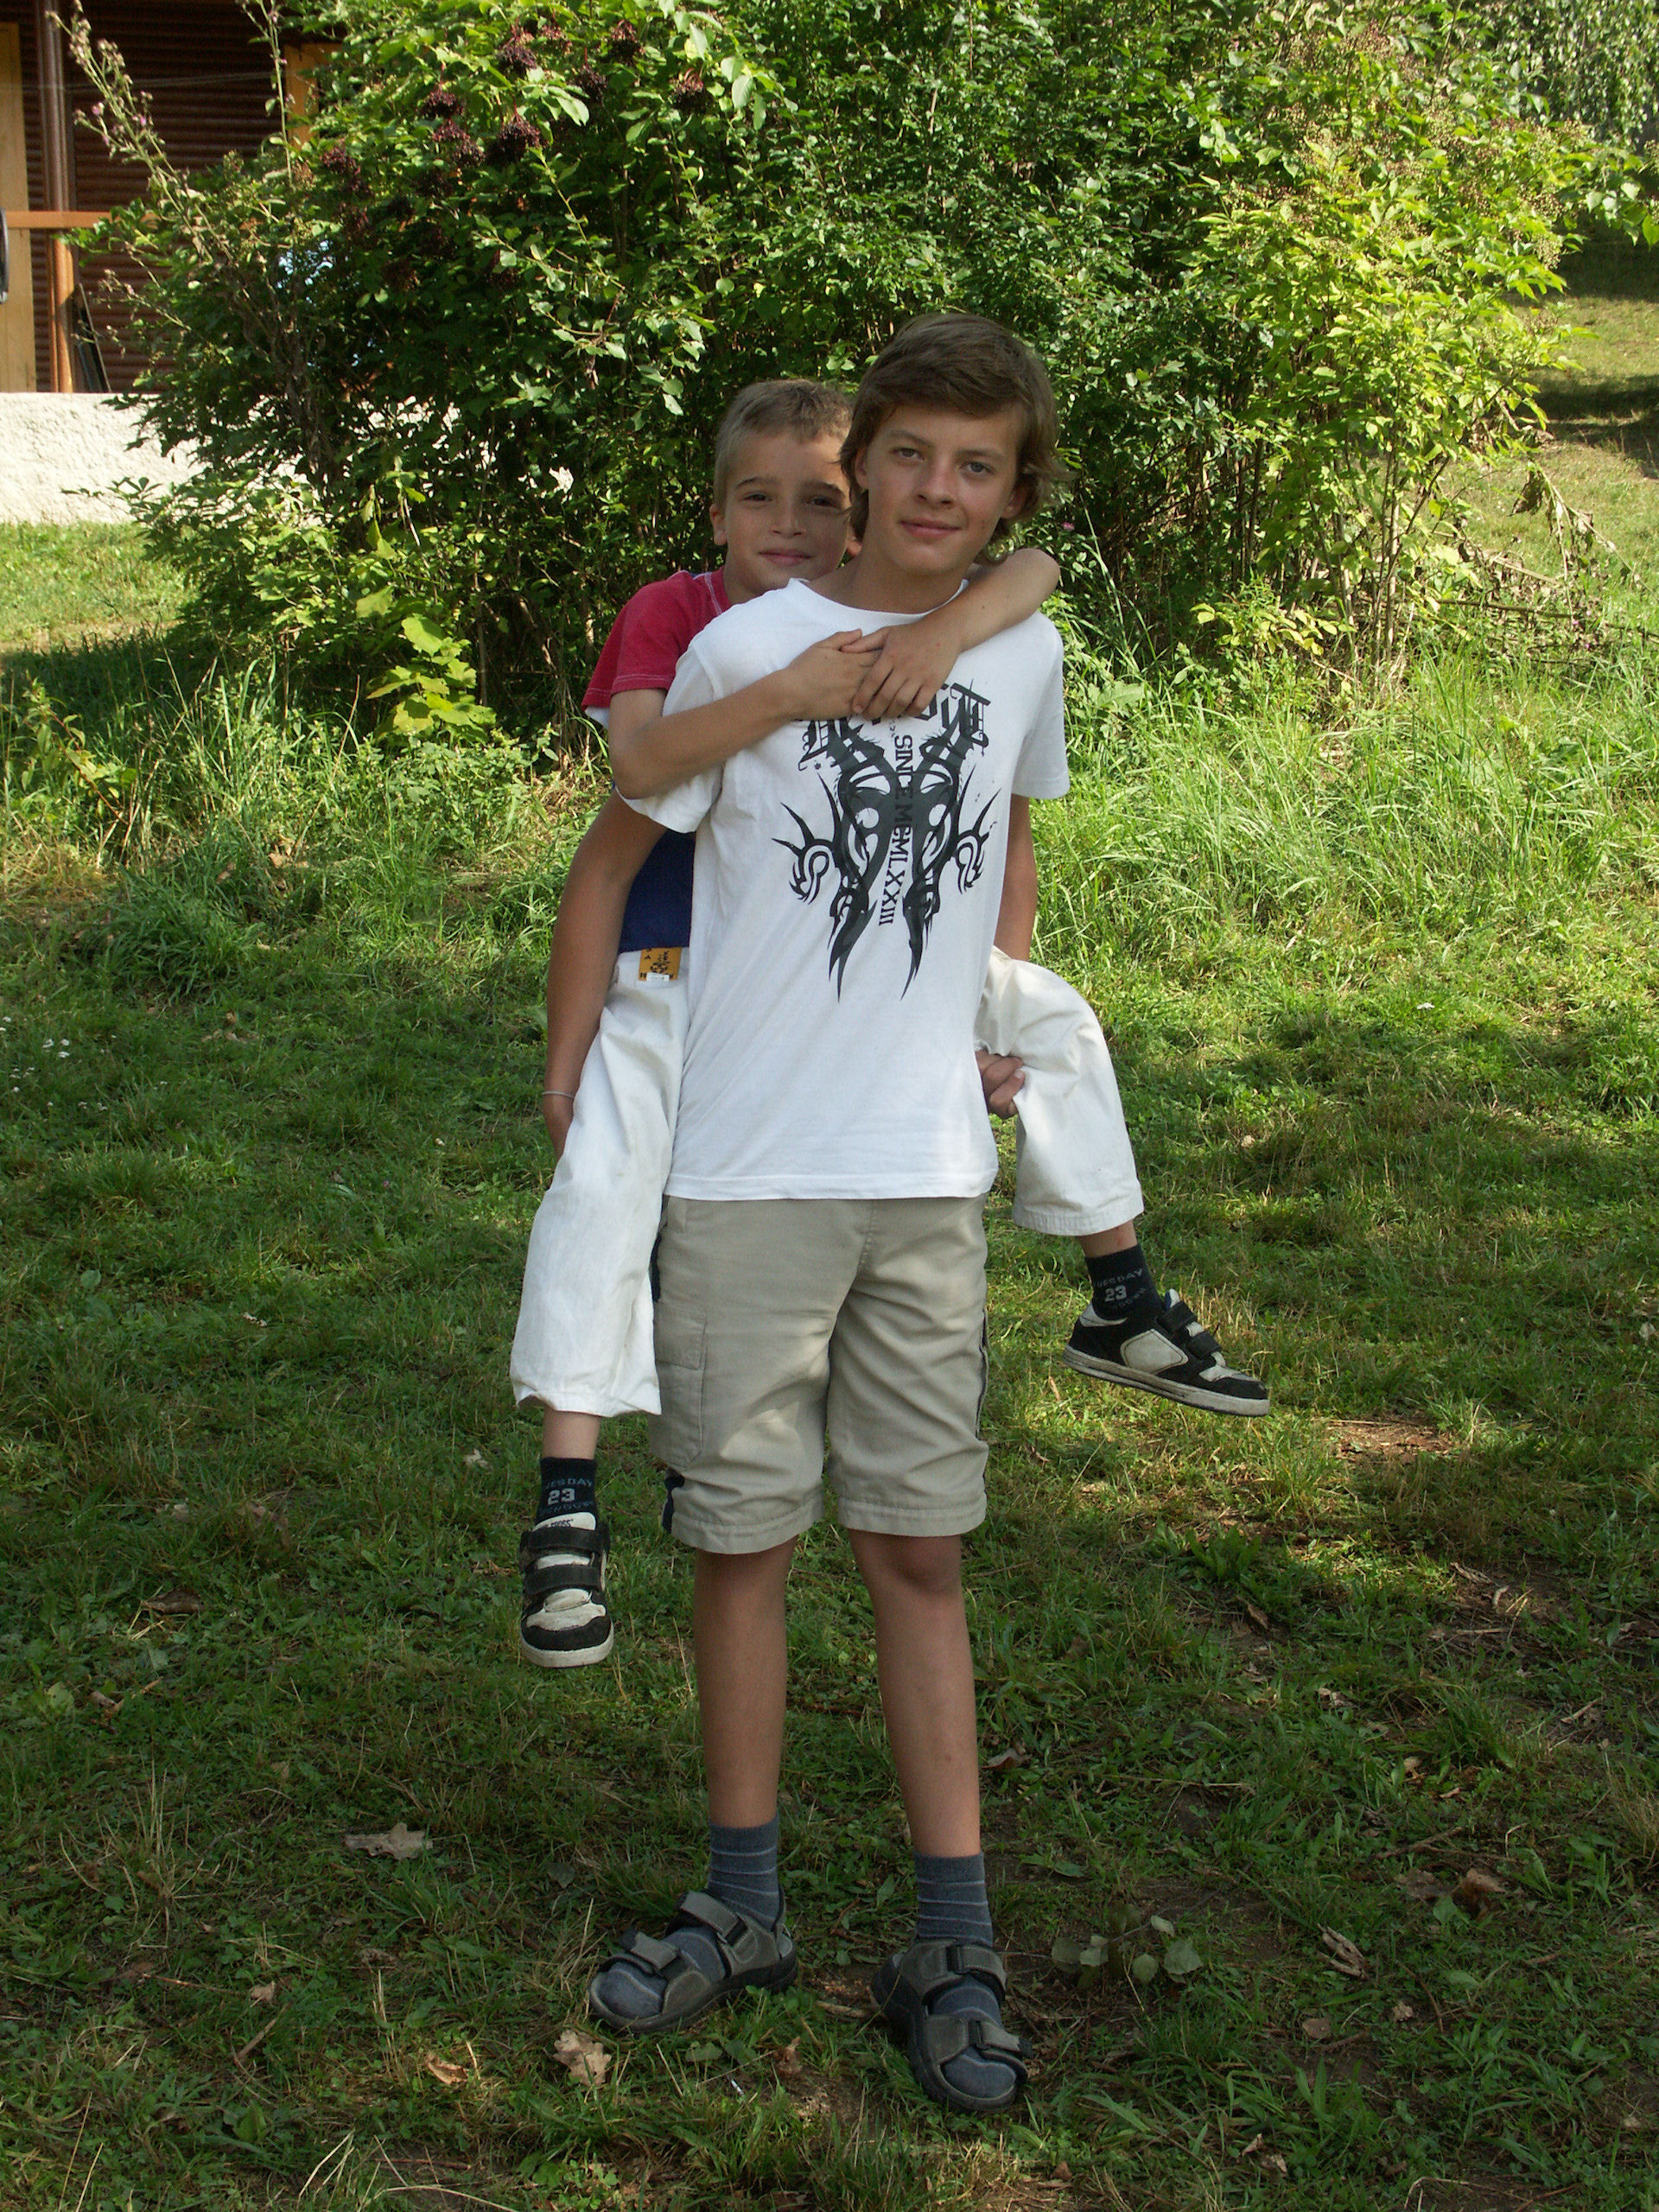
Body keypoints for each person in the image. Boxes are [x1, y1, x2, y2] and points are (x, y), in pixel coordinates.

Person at [508, 381, 1266, 1672]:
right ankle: (567, 1493)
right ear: (718, 513)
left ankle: (1120, 1290)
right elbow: (624, 806)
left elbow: (1032, 570)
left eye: (819, 502)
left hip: (878, 997)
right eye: (762, 500)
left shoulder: (941, 631)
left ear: (853, 506)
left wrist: (975, 1004)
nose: (793, 528)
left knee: (1061, 1025)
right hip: (684, 969)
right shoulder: (696, 621)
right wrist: (564, 1054)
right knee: (603, 1189)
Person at [578, 313, 1116, 2114]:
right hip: (745, 1169)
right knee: (741, 1543)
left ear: (1011, 492)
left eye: (978, 468)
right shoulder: (748, 641)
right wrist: (810, 685)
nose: (939, 491)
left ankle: (951, 1937)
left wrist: (999, 1007)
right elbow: (641, 784)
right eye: (911, 457)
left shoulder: (1019, 650)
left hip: (925, 1176)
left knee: (918, 1549)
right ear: (859, 464)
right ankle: (743, 1905)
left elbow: (1012, 842)